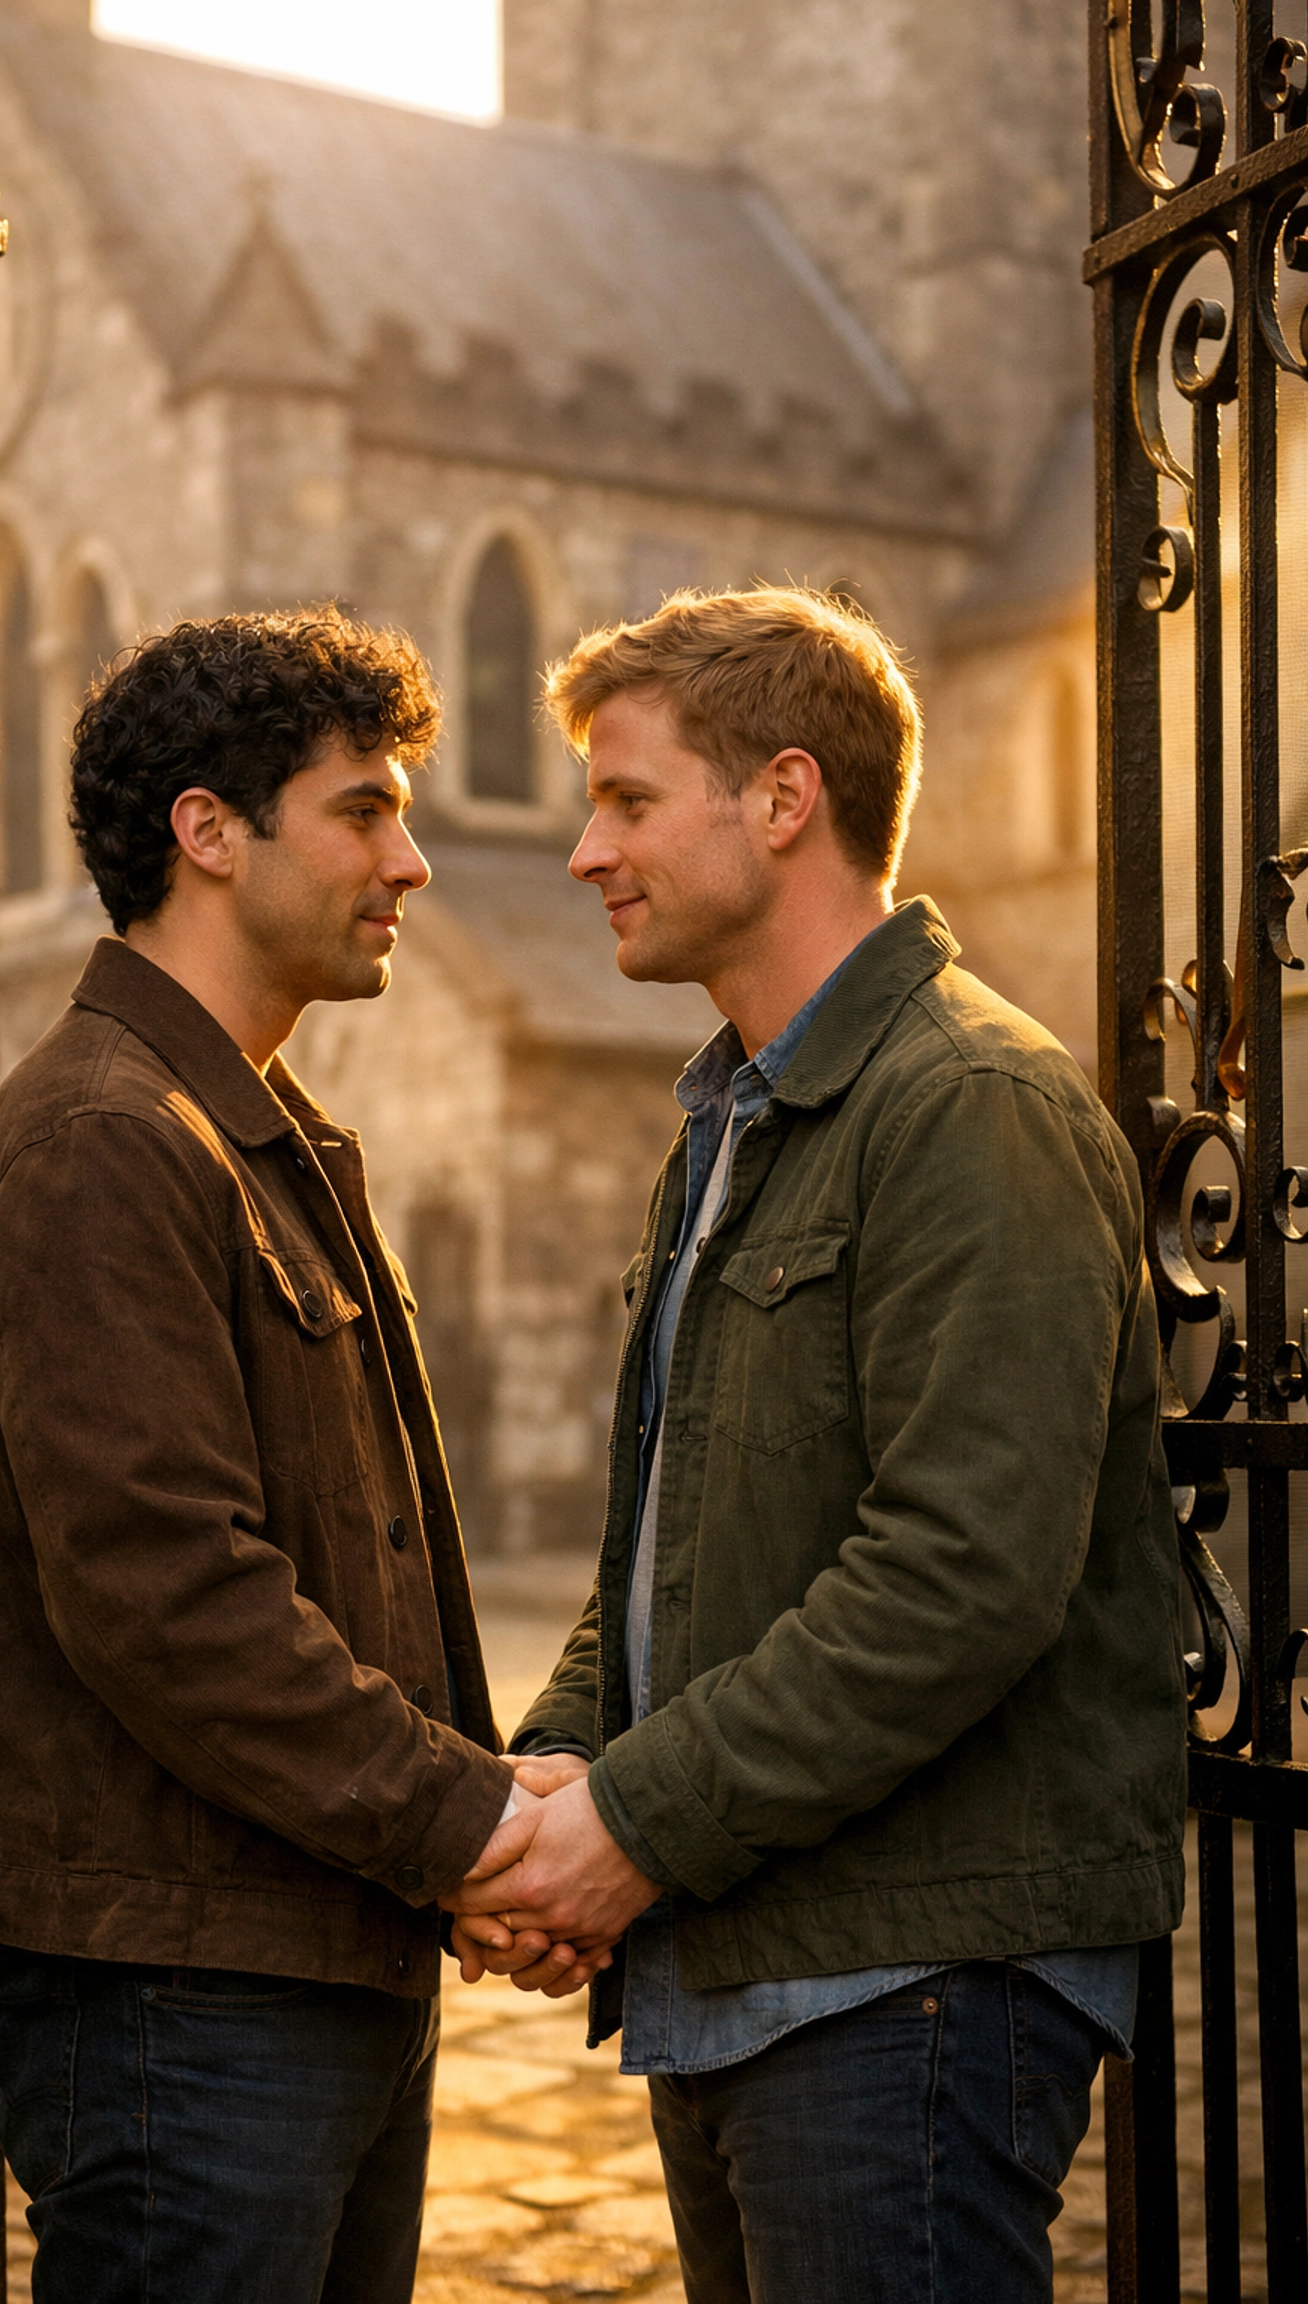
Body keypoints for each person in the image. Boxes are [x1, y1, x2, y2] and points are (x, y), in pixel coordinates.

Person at [445, 586, 1188, 2303]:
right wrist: (551, 1774)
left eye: (626, 799)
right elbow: (665, 1528)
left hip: (912, 1981)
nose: (580, 852)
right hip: (740, 1958)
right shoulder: (729, 1121)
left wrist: (629, 1821)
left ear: (784, 798)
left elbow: (960, 1579)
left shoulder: (970, 1104)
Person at [0, 609, 529, 2304]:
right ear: (208, 829)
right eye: (363, 810)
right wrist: (472, 1828)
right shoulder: (106, 1141)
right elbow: (170, 1597)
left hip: (304, 1964)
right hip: (181, 2011)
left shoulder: (241, 1132)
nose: (411, 860)